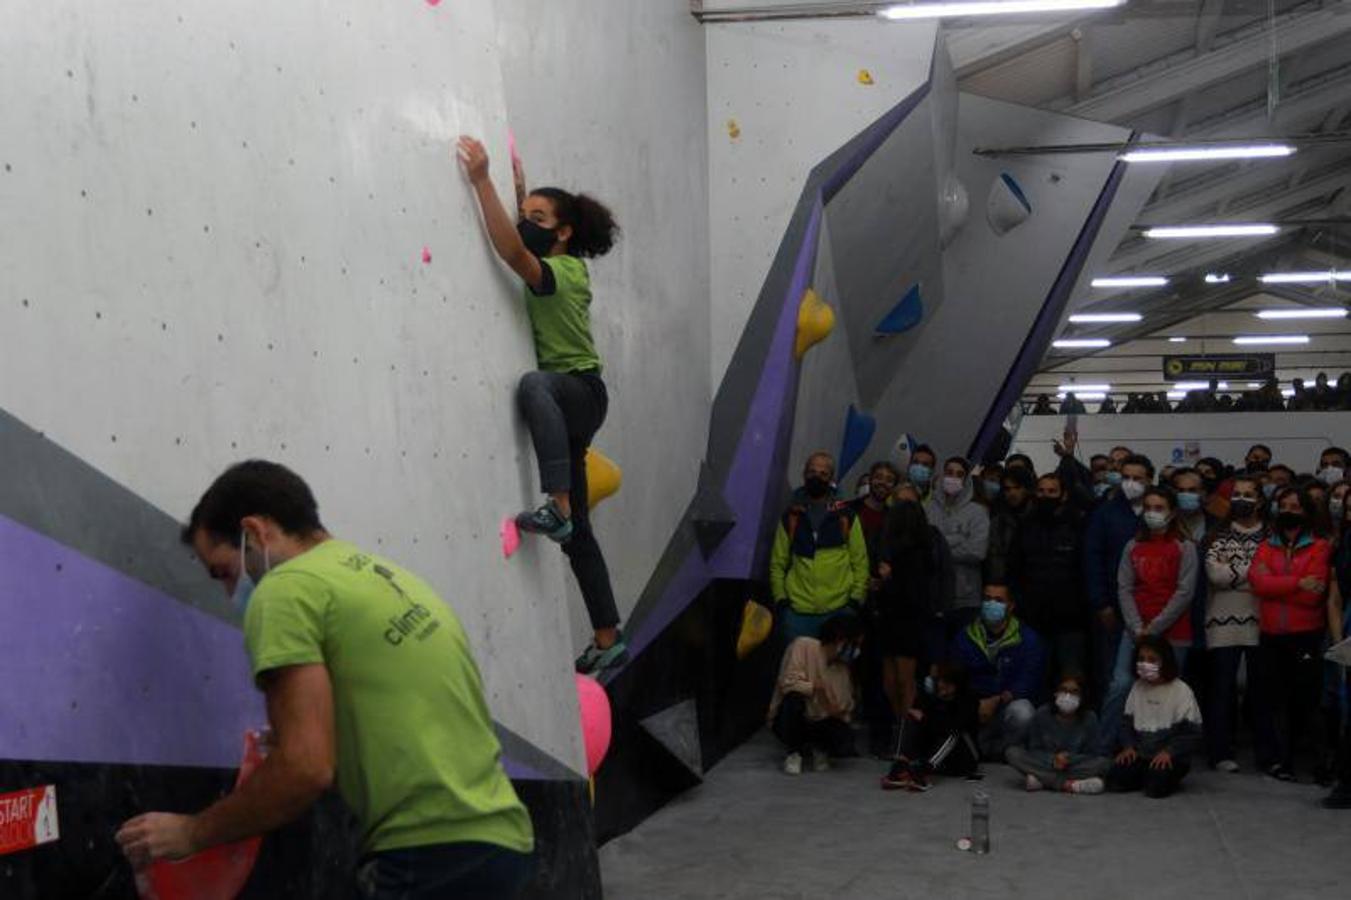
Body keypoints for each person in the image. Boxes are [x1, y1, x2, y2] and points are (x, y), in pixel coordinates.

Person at [116, 461, 535, 897]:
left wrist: (191, 833)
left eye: (224, 572)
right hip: (503, 843)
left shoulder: (285, 591)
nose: (230, 593)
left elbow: (304, 767)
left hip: (429, 853)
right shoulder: (383, 576)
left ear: (255, 533)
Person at [457, 136, 625, 675]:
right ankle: (607, 636)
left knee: (534, 384)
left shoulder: (569, 272)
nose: (525, 220)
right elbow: (524, 235)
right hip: (572, 407)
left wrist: (482, 181)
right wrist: (519, 188)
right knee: (580, 540)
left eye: (537, 216)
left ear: (564, 232)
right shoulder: (556, 253)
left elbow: (511, 251)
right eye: (523, 213)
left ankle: (557, 505)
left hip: (577, 393)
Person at [1097, 486, 1198, 754]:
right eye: (1148, 508)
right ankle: (1104, 749)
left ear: (1172, 512)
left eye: (1159, 508)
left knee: (1167, 690)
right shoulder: (1134, 545)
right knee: (1120, 685)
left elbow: (1185, 591)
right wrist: (1137, 627)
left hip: (1173, 630)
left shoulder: (1184, 547)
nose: (1152, 513)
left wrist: (1155, 627)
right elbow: (1124, 587)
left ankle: (1162, 753)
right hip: (1135, 630)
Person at [1248, 485, 1333, 782]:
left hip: (1305, 634)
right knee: (1277, 701)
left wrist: (1279, 584)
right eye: (1283, 505)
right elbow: (1258, 585)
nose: (1288, 511)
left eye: (1295, 506)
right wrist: (1298, 582)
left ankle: (1322, 764)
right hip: (1271, 635)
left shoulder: (1320, 546)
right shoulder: (1265, 545)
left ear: (1307, 512)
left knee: (1309, 702)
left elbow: (1315, 594)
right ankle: (1282, 762)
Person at [1202, 475, 1267, 772]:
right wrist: (1254, 573)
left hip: (1263, 624)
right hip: (1221, 623)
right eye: (1237, 494)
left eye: (1248, 494)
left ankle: (1266, 754)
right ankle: (1219, 753)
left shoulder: (1272, 536)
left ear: (1261, 500)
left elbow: (1272, 577)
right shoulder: (1218, 535)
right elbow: (1216, 576)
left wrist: (1237, 572)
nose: (1242, 499)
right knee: (1221, 690)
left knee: (1261, 692)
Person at [769, 453, 869, 640]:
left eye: (823, 474)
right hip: (797, 614)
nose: (817, 477)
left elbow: (860, 562)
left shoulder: (845, 516)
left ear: (831, 479)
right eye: (812, 472)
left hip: (838, 611)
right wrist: (781, 602)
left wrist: (854, 602)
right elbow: (777, 563)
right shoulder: (792, 516)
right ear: (804, 474)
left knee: (833, 670)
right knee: (797, 668)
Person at [1084, 454, 1153, 703]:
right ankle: (1110, 735)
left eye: (1137, 478)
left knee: (1150, 672)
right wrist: (1101, 603)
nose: (1130, 483)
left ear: (1149, 480)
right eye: (1126, 478)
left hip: (1151, 607)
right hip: (1113, 607)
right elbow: (1092, 559)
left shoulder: (1157, 512)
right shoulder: (1105, 514)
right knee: (1112, 676)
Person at [1010, 473, 1088, 687]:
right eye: (1041, 491)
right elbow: (1015, 568)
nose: (1046, 496)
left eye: (1052, 491)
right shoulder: (1025, 526)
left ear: (1063, 495)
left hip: (1070, 618)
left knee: (1070, 678)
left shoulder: (1077, 525)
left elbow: (1085, 570)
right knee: (1035, 677)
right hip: (1033, 617)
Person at [952, 584, 1045, 759]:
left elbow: (1029, 679)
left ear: (1010, 606)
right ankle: (979, 749)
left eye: (998, 600)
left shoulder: (1028, 638)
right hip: (976, 706)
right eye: (987, 599)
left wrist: (997, 699)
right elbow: (956, 676)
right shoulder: (965, 636)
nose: (991, 604)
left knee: (1024, 712)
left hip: (1005, 705)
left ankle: (1005, 752)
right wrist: (975, 702)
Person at [873, 492, 938, 744]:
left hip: (904, 620)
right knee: (897, 680)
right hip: (898, 620)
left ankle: (904, 733)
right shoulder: (920, 550)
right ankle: (901, 728)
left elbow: (908, 593)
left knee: (899, 681)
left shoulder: (912, 554)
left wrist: (887, 581)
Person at [1107, 636, 1203, 799]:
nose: (1145, 664)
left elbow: (1192, 733)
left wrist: (1169, 752)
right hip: (1141, 753)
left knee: (1156, 788)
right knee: (1115, 780)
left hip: (1170, 756)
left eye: (1152, 659)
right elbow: (1126, 724)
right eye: (1142, 659)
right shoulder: (1137, 687)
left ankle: (1156, 777)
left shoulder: (1181, 690)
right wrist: (1128, 746)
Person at [767, 614, 864, 775]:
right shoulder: (803, 646)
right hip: (794, 714)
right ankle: (794, 752)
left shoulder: (843, 671)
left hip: (819, 719)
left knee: (844, 737)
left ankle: (819, 748)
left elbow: (844, 707)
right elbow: (788, 682)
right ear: (840, 639)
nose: (855, 651)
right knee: (794, 697)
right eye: (853, 644)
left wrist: (826, 700)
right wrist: (815, 688)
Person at [880, 662, 980, 790]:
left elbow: (954, 726)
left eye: (947, 683)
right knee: (910, 717)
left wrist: (926, 719)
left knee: (952, 734)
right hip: (934, 753)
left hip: (963, 756)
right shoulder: (931, 696)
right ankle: (900, 766)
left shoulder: (969, 700)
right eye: (941, 681)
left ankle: (923, 772)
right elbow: (923, 718)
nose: (942, 685)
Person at [1006, 673, 1110, 794]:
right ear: (1055, 692)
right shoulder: (1042, 713)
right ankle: (1069, 785)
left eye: (1074, 692)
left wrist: (1069, 759)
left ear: (1082, 696)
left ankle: (1043, 780)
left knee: (1104, 764)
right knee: (1012, 753)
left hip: (1074, 765)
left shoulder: (1090, 718)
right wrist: (1053, 760)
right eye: (1063, 690)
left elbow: (1093, 754)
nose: (1068, 696)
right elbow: (1034, 749)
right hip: (1047, 763)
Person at [926, 457, 990, 636]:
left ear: (966, 479)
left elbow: (977, 552)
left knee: (960, 656)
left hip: (965, 599)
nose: (953, 478)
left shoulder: (978, 512)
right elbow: (922, 546)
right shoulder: (927, 509)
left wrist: (940, 547)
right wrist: (958, 540)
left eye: (959, 474)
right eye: (949, 473)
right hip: (933, 596)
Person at [984, 465, 1034, 588]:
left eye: (1017, 488)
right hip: (1005, 587)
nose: (1012, 493)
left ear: (1027, 488)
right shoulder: (999, 521)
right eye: (1007, 489)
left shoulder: (1038, 517)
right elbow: (995, 559)